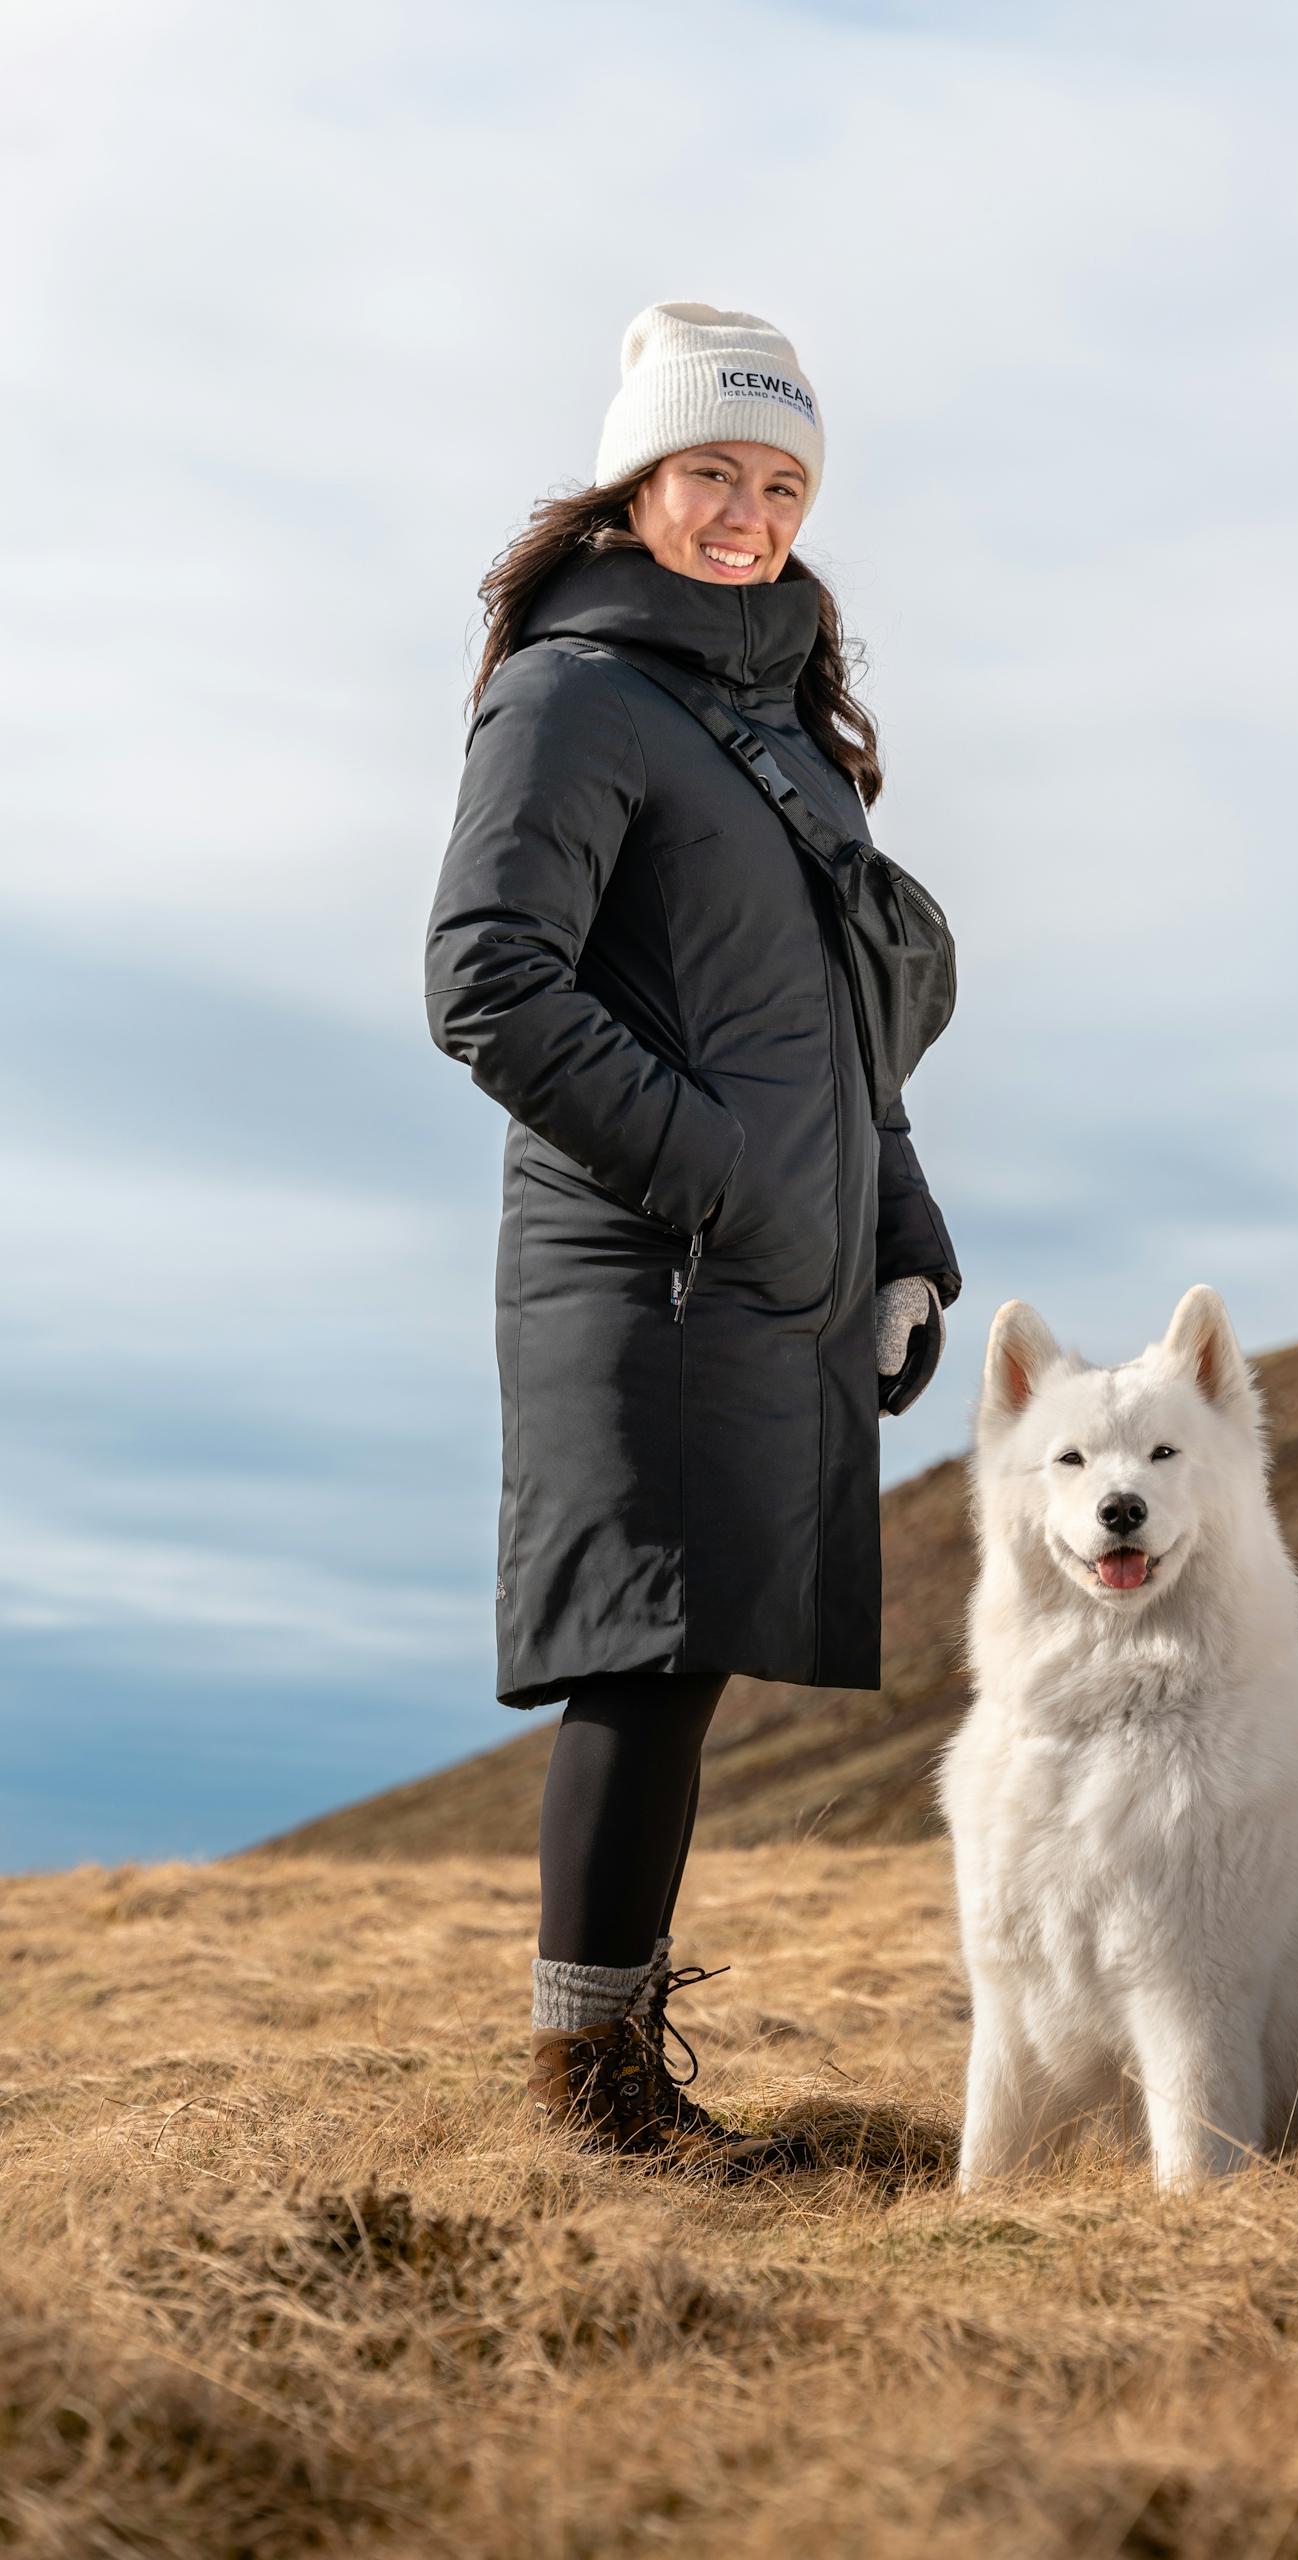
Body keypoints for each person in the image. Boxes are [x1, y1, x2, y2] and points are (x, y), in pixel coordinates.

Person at [425, 302, 960, 2171]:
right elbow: (489, 983)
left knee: (686, 1660)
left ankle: (622, 2068)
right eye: (713, 473)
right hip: (643, 1261)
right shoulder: (571, 695)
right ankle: (593, 2096)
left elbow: (853, 1044)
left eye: (783, 483)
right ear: (635, 480)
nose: (747, 513)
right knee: (640, 1663)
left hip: (765, 1270)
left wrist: (896, 1233)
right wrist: (724, 1175)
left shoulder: (778, 735)